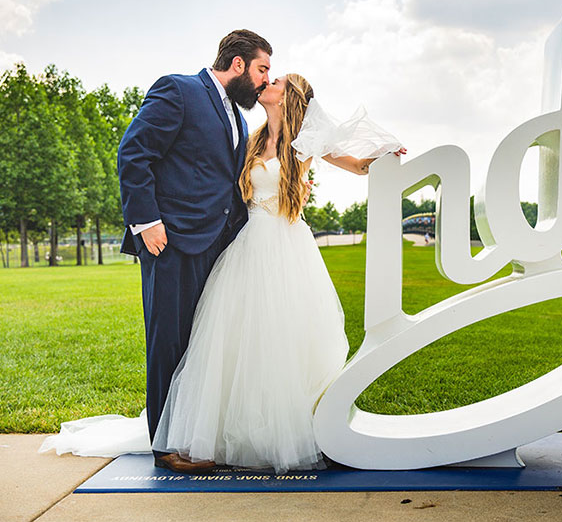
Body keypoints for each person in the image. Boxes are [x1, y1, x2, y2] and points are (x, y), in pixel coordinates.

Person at [40, 72, 405, 475]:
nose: (268, 81)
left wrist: (387, 154)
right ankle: (225, 431)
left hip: (286, 248)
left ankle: (289, 431)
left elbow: (356, 165)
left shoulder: (303, 144)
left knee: (281, 340)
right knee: (232, 341)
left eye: (277, 79)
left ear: (291, 97)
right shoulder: (248, 138)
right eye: (266, 72)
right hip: (245, 247)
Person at [117, 30, 271, 473]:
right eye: (262, 69)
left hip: (217, 245)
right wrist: (147, 222)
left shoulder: (239, 120)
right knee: (168, 340)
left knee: (198, 345)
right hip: (170, 241)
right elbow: (135, 153)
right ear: (238, 64)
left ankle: (190, 434)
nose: (264, 80)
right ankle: (164, 447)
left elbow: (226, 181)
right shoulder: (179, 89)